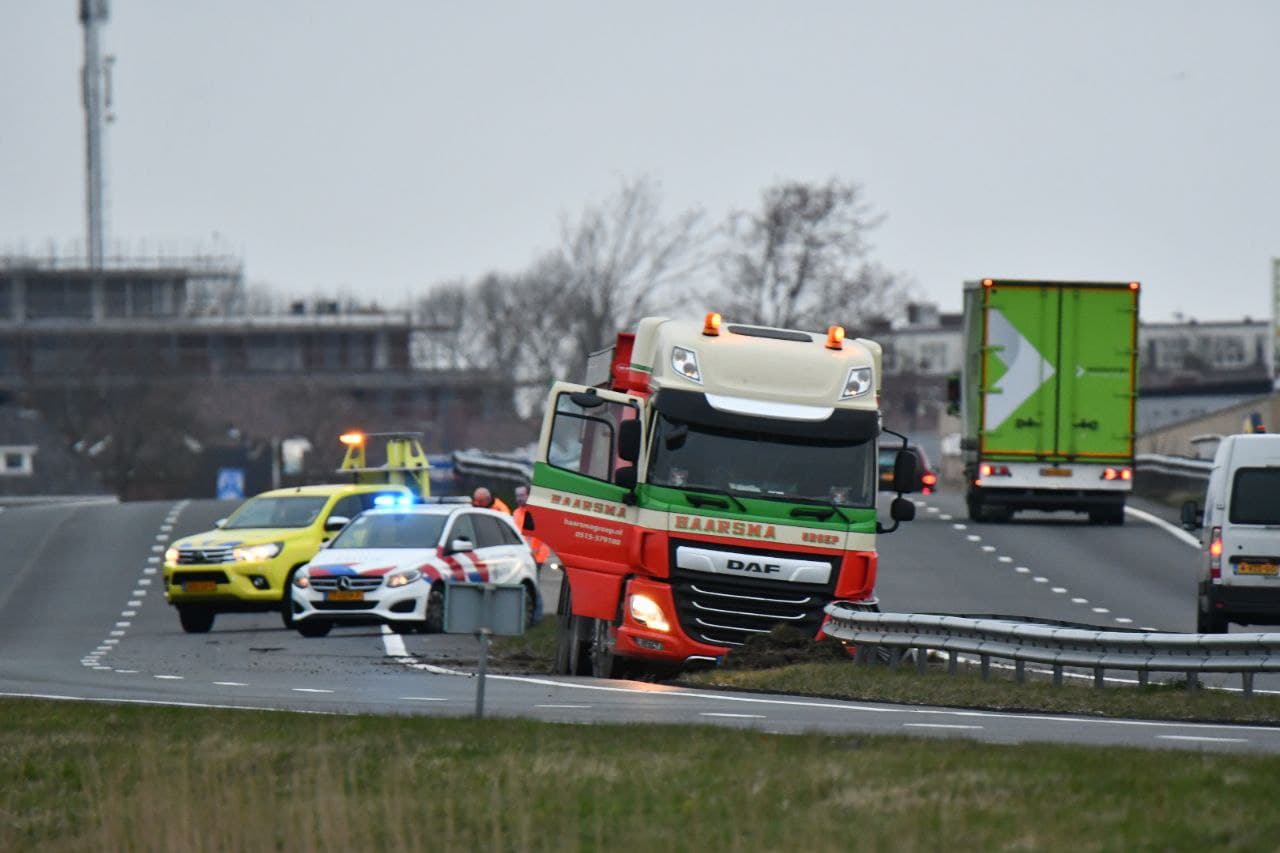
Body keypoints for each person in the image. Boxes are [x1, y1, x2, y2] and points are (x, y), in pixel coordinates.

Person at [511, 485, 552, 566]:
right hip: (525, 556)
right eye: (517, 496)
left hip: (538, 556)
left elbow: (538, 535)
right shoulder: (516, 513)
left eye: (522, 495)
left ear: (528, 495)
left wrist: (533, 551)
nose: (519, 498)